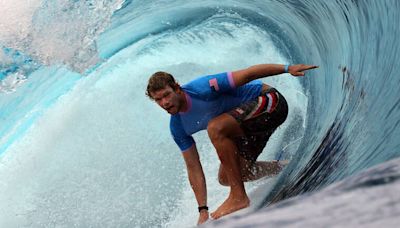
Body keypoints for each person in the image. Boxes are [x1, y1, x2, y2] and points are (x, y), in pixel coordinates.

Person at [146, 63, 318, 225]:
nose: (164, 103)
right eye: (158, 100)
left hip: (271, 103)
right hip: (249, 127)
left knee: (215, 128)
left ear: (177, 88)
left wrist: (288, 68)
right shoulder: (178, 127)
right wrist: (202, 210)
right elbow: (193, 167)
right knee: (227, 177)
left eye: (166, 95)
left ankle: (238, 196)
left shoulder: (202, 87)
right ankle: (283, 168)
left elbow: (248, 74)